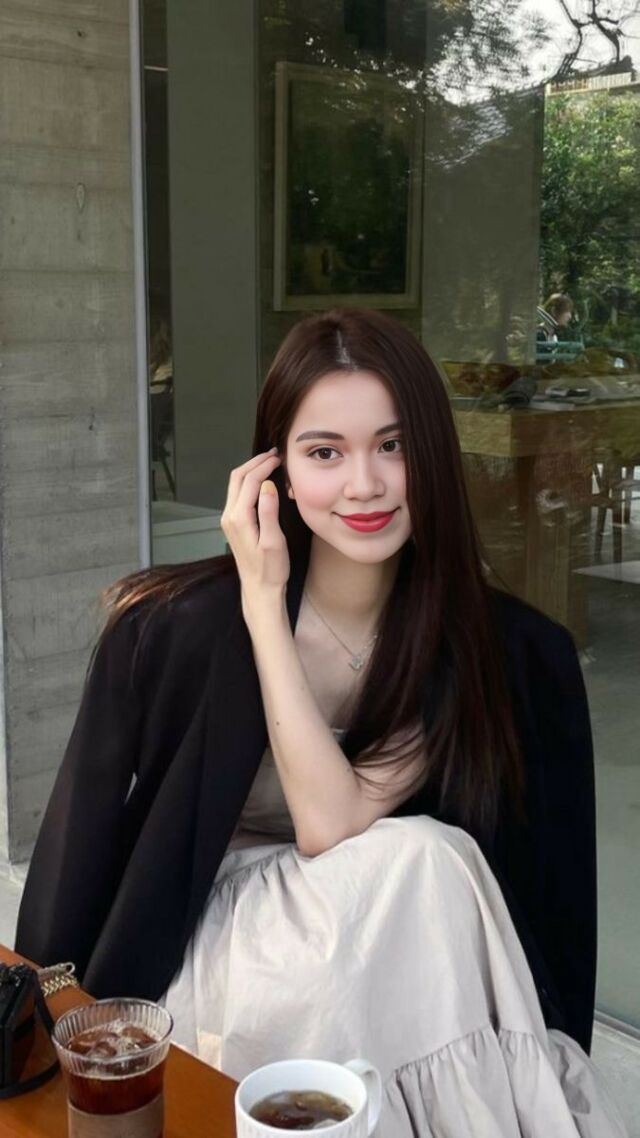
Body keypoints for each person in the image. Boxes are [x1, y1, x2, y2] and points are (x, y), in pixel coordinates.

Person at [15, 310, 626, 1135]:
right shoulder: (170, 627)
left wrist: (555, 1035)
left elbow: (333, 827)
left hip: (403, 947)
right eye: (325, 452)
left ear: (436, 455)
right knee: (419, 863)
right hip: (220, 933)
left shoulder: (493, 649)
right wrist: (41, 1007)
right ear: (276, 473)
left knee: (422, 861)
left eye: (393, 445)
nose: (364, 485)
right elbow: (80, 837)